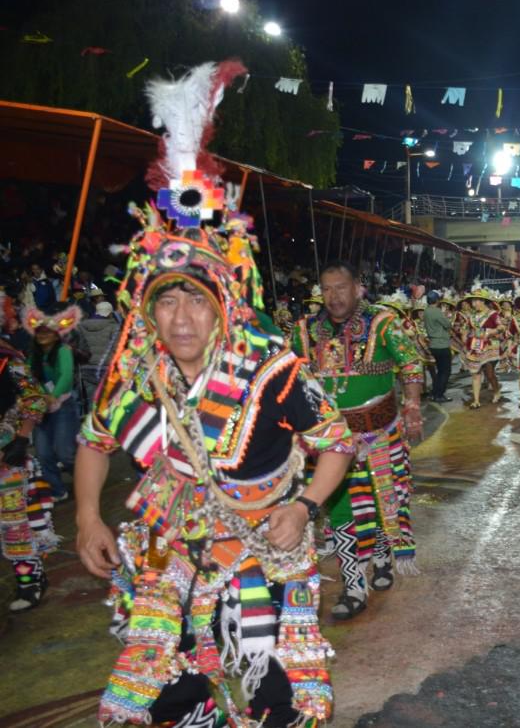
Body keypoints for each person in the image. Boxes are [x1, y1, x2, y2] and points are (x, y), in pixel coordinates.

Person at [75, 59, 353, 728]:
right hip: (168, 547)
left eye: (194, 302)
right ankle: (195, 701)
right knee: (151, 691)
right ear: (147, 311)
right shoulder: (137, 375)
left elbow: (335, 443)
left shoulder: (270, 368)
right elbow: (93, 442)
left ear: (221, 308)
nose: (180, 319)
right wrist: (87, 516)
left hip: (265, 539)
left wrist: (308, 505)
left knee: (281, 698)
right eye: (165, 303)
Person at [294, 260, 425, 620]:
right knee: (338, 511)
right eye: (327, 289)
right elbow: (290, 376)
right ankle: (354, 584)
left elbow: (411, 364)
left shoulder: (383, 323)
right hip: (329, 441)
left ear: (357, 289)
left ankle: (382, 558)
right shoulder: (304, 330)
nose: (334, 296)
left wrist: (412, 402)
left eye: (341, 287)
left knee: (384, 500)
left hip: (380, 434)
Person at [0, 338, 57, 612]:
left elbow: (34, 399)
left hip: (8, 461)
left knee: (16, 527)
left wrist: (21, 439)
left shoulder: (9, 360)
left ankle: (30, 582)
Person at [22, 304, 82, 501]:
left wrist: (53, 395)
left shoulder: (64, 350)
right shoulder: (34, 356)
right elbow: (29, 378)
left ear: (56, 334)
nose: (42, 335)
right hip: (42, 408)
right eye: (39, 332)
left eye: (47, 332)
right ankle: (57, 490)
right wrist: (37, 396)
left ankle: (86, 480)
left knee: (66, 453)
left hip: (63, 405)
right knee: (43, 453)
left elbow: (66, 375)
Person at [457, 286, 504, 409]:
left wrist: (490, 331)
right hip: (474, 346)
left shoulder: (493, 314)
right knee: (475, 373)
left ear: (483, 301)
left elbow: (501, 327)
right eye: (473, 301)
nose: (474, 303)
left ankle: (496, 391)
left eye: (476, 300)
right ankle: (476, 400)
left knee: (489, 374)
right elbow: (466, 328)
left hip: (490, 347)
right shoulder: (472, 316)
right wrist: (464, 335)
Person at [78, 298, 121, 407]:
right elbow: (117, 349)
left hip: (86, 368)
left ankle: (91, 419)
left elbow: (80, 346)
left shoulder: (82, 326)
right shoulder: (114, 327)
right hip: (106, 368)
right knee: (107, 401)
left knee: (91, 400)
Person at [424, 291, 455, 403]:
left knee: (440, 370)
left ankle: (434, 393)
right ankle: (439, 395)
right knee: (445, 371)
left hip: (433, 344)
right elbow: (448, 324)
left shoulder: (426, 311)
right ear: (437, 300)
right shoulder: (436, 311)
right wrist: (446, 316)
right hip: (442, 344)